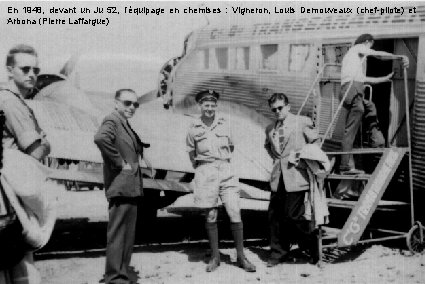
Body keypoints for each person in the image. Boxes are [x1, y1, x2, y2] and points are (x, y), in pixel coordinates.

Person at [186, 90, 256, 273]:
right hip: (205, 170)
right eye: (205, 105)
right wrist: (203, 168)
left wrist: (221, 162)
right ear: (200, 106)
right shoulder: (193, 128)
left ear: (216, 106)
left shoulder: (226, 124)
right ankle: (215, 257)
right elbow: (191, 152)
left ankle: (241, 257)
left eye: (212, 105)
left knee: (234, 211)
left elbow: (232, 146)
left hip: (225, 169)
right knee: (211, 215)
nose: (209, 109)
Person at [0, 44, 52, 283]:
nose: (32, 74)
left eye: (36, 69)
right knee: (21, 261)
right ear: (10, 71)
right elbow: (36, 151)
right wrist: (46, 141)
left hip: (9, 188)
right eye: (25, 69)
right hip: (13, 190)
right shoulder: (11, 102)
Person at [94, 89, 148, 284]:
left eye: (135, 104)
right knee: (118, 235)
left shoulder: (123, 123)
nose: (132, 107)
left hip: (130, 186)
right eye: (127, 103)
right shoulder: (112, 120)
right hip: (121, 186)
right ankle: (114, 277)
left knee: (127, 235)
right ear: (116, 103)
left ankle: (121, 274)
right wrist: (119, 162)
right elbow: (100, 138)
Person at [339, 33, 409, 174]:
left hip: (352, 89)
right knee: (352, 128)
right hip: (352, 90)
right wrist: (399, 57)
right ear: (367, 42)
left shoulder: (353, 60)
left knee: (367, 110)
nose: (371, 48)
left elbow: (366, 79)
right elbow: (378, 55)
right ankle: (345, 165)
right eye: (371, 45)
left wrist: (386, 78)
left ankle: (373, 141)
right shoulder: (358, 48)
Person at [264, 93, 320, 267]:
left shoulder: (301, 121)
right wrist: (276, 159)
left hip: (296, 176)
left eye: (280, 108)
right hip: (277, 178)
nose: (277, 112)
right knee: (274, 216)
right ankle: (278, 253)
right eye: (274, 110)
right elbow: (268, 146)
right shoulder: (270, 128)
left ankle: (313, 246)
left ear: (288, 107)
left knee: (293, 215)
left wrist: (303, 157)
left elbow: (316, 142)